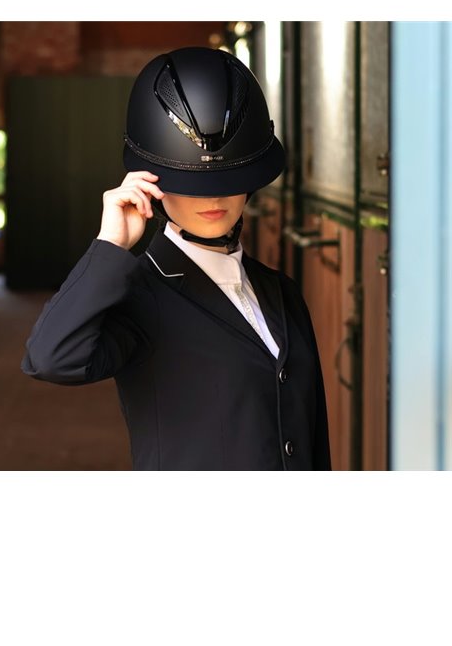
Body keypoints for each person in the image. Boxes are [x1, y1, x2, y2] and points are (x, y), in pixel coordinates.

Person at [20, 46, 331, 470]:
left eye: (230, 178)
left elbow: (312, 438)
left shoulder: (282, 292)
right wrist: (110, 244)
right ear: (151, 182)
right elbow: (51, 358)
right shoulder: (140, 295)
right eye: (191, 183)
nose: (214, 198)